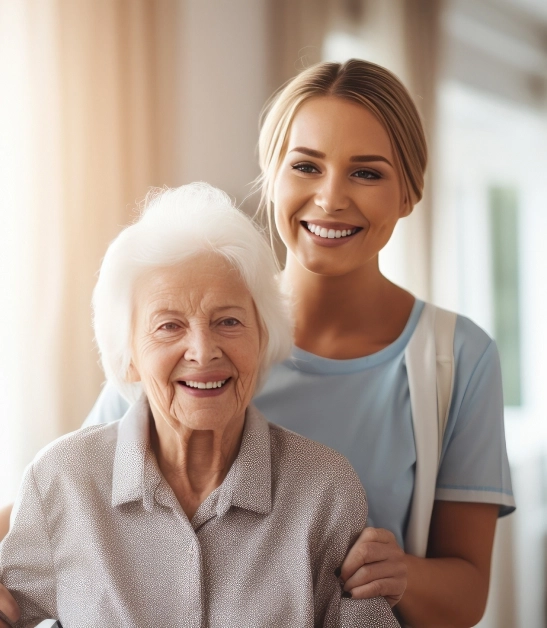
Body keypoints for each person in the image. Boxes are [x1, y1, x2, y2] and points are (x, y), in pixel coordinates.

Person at [0, 59, 515, 627]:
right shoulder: (193, 337)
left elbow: (468, 593)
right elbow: (71, 497)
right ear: (272, 177)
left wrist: (399, 574)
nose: (330, 198)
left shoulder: (455, 358)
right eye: (305, 166)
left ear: (409, 193)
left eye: (366, 173)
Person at [0, 183, 398, 627]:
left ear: (262, 338)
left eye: (228, 321)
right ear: (128, 356)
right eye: (169, 326)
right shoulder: (62, 480)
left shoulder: (325, 490)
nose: (203, 350)